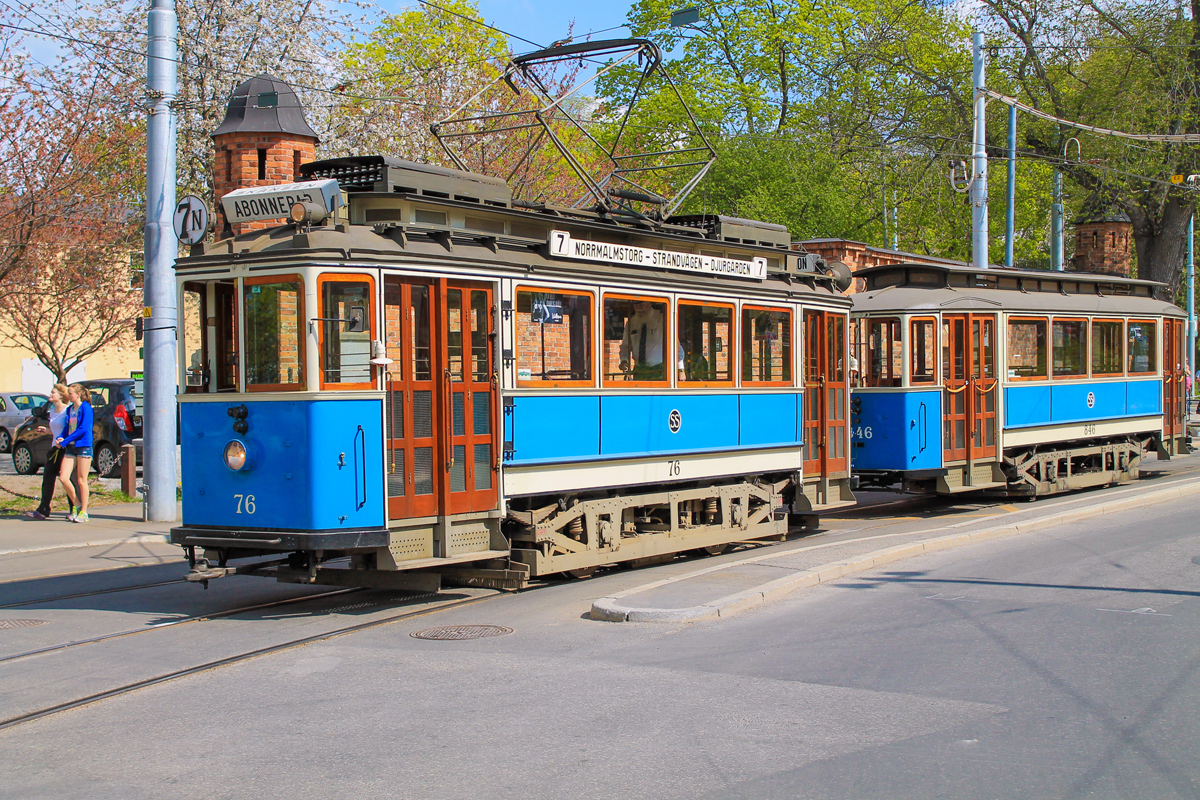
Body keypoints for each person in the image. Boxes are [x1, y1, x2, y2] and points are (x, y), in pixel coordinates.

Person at [24, 384, 74, 521]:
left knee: (67, 479)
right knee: (48, 478)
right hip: (54, 448)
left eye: (53, 393)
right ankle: (44, 509)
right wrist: (46, 431)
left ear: (61, 396)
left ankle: (74, 508)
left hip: (65, 449)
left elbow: (70, 431)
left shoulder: (67, 411)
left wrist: (64, 440)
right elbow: (56, 430)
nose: (51, 395)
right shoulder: (52, 411)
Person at [56, 383, 94, 523]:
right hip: (71, 447)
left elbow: (84, 428)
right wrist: (61, 437)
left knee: (81, 480)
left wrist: (65, 441)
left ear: (78, 394)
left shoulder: (86, 408)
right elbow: (67, 428)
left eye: (71, 393)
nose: (69, 395)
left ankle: (84, 511)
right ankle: (76, 504)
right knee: (64, 477)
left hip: (83, 445)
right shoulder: (69, 409)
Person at [619, 301, 666, 381]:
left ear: (650, 303)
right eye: (636, 305)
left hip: (658, 370)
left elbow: (675, 344)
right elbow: (626, 346)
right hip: (639, 370)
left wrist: (680, 369)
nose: (638, 308)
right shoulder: (631, 323)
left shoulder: (662, 319)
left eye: (641, 305)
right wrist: (624, 360)